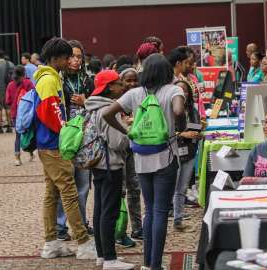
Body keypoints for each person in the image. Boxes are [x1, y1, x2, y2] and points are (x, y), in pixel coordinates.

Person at [103, 53, 185, 270]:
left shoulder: (135, 93)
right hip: (165, 157)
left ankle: (148, 264)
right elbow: (178, 110)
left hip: (141, 158)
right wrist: (180, 124)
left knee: (149, 210)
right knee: (159, 212)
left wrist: (128, 131)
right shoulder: (173, 90)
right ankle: (156, 265)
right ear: (167, 72)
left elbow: (108, 114)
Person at [33, 37, 97, 259]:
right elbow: (51, 112)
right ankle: (83, 242)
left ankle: (52, 243)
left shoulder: (48, 77)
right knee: (69, 192)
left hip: (48, 143)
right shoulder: (49, 79)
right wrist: (66, 131)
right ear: (57, 58)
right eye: (67, 56)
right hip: (53, 144)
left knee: (52, 193)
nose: (70, 60)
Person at [85, 70, 135, 269]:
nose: (123, 85)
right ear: (109, 87)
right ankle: (110, 259)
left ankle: (101, 254)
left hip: (98, 164)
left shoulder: (92, 107)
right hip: (110, 165)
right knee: (110, 212)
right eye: (118, 83)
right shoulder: (107, 110)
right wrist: (129, 134)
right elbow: (117, 142)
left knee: (99, 210)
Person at [56, 40, 95, 241]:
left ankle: (81, 222)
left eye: (79, 56)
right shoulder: (58, 81)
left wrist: (85, 101)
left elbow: (100, 106)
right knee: (63, 184)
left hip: (86, 138)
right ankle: (60, 226)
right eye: (71, 56)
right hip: (64, 139)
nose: (75, 60)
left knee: (83, 185)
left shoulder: (89, 81)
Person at [116, 64, 144, 246]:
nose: (132, 83)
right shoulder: (116, 101)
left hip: (135, 149)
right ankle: (120, 231)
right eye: (128, 80)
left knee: (135, 188)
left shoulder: (140, 99)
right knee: (120, 191)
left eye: (135, 80)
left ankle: (137, 228)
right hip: (118, 151)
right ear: (121, 82)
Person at [172, 80, 202, 231]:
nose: (182, 92)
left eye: (185, 90)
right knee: (172, 187)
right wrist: (185, 134)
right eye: (179, 89)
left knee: (182, 188)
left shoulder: (192, 109)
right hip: (174, 152)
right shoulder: (169, 108)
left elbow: (194, 127)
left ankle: (178, 220)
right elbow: (167, 133)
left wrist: (199, 130)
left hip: (190, 152)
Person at [5, 65, 34, 166]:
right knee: (29, 133)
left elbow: (7, 101)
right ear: (24, 74)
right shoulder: (28, 83)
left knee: (18, 136)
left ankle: (17, 158)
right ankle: (31, 152)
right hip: (27, 114)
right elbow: (34, 96)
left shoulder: (10, 85)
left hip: (15, 114)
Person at [0, 50, 15, 133]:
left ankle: (0, 127)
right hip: (10, 88)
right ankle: (9, 126)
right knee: (8, 107)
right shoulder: (11, 64)